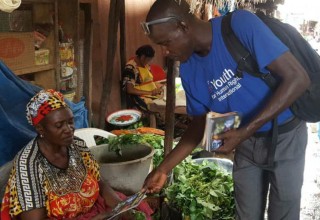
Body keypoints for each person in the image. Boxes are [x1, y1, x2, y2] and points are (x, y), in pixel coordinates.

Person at [141, 0, 310, 219]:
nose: (165, 51)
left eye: (166, 42)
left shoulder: (239, 25)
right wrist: (163, 169)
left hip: (286, 135)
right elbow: (199, 123)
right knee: (245, 213)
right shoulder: (189, 68)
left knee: (283, 212)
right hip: (246, 144)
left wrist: (244, 130)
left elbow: (298, 78)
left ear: (183, 26)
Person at [0, 89, 153, 220]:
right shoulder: (28, 165)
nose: (68, 129)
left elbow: (99, 182)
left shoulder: (76, 145)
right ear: (41, 129)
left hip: (95, 210)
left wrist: (119, 208)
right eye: (59, 125)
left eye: (71, 122)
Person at [122, 45, 163, 112]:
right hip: (140, 98)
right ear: (142, 57)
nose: (149, 62)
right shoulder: (130, 68)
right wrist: (149, 92)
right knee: (159, 106)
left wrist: (159, 86)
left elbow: (150, 81)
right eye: (148, 60)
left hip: (151, 94)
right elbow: (130, 90)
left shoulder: (145, 65)